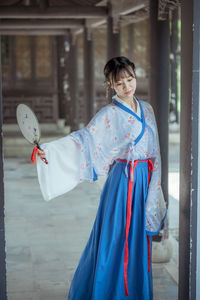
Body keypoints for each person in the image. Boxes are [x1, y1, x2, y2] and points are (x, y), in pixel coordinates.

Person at [36, 56, 167, 300]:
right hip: (122, 184)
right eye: (120, 83)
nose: (127, 86)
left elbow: (156, 151)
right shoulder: (109, 113)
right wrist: (50, 151)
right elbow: (84, 139)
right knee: (114, 238)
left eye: (130, 79)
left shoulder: (147, 109)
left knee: (138, 240)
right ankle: (106, 292)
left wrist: (154, 189)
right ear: (110, 86)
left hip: (144, 181)